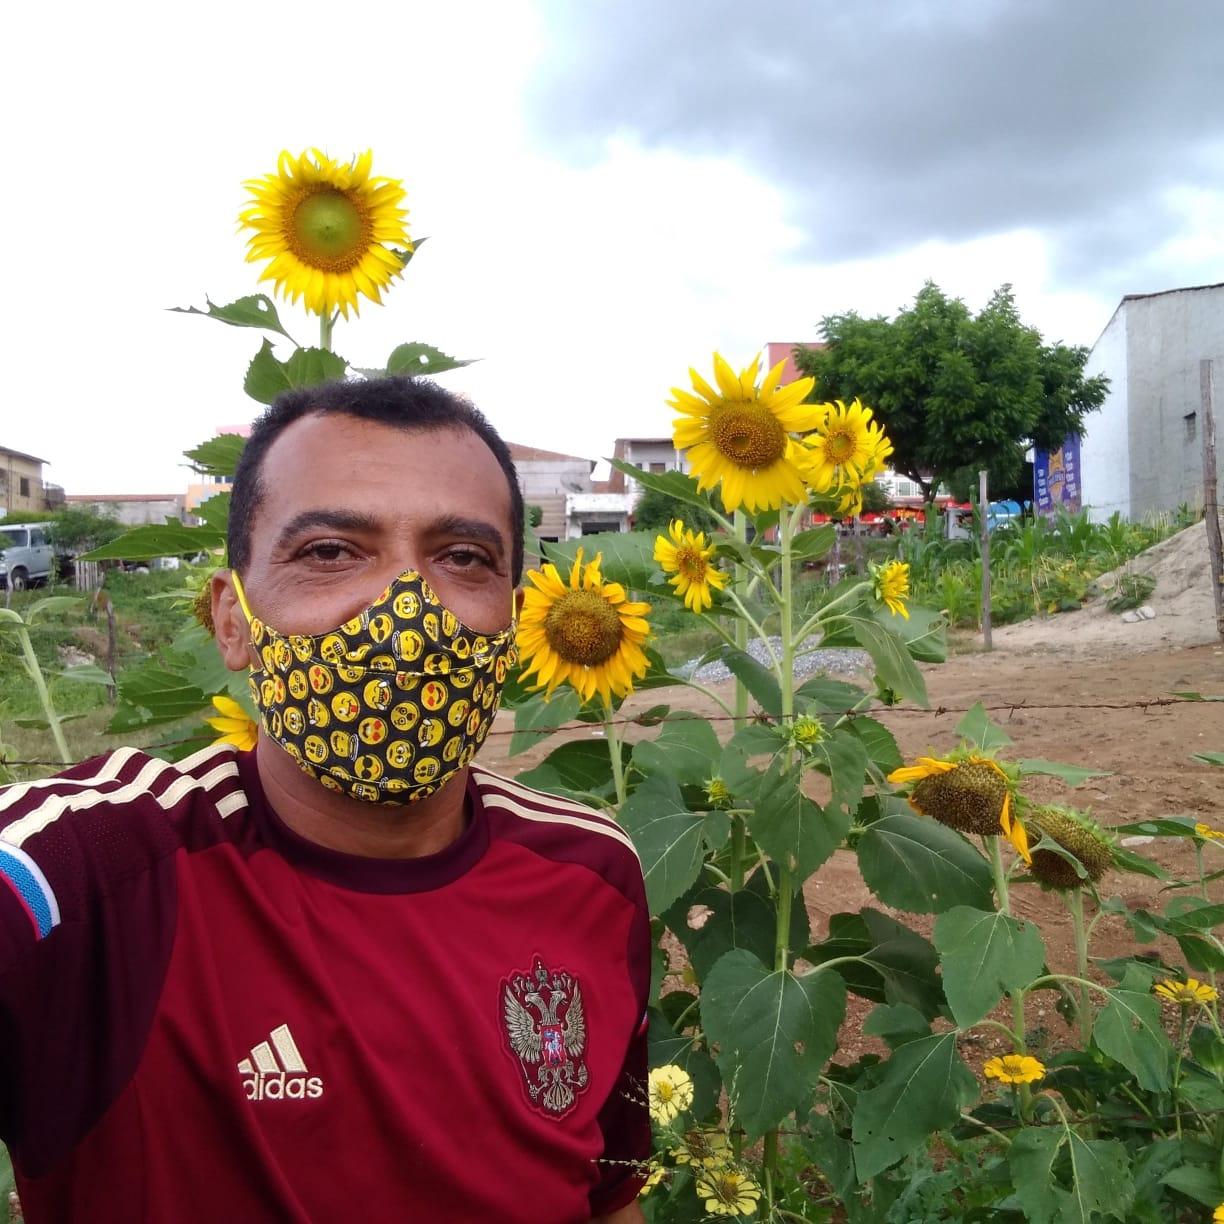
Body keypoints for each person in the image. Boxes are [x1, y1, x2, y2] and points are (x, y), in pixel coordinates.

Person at [0, 378, 651, 1223]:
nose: (406, 617)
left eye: (462, 558)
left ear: (513, 623)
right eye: (331, 552)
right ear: (232, 624)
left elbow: (606, 1199)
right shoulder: (92, 878)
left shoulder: (591, 873)